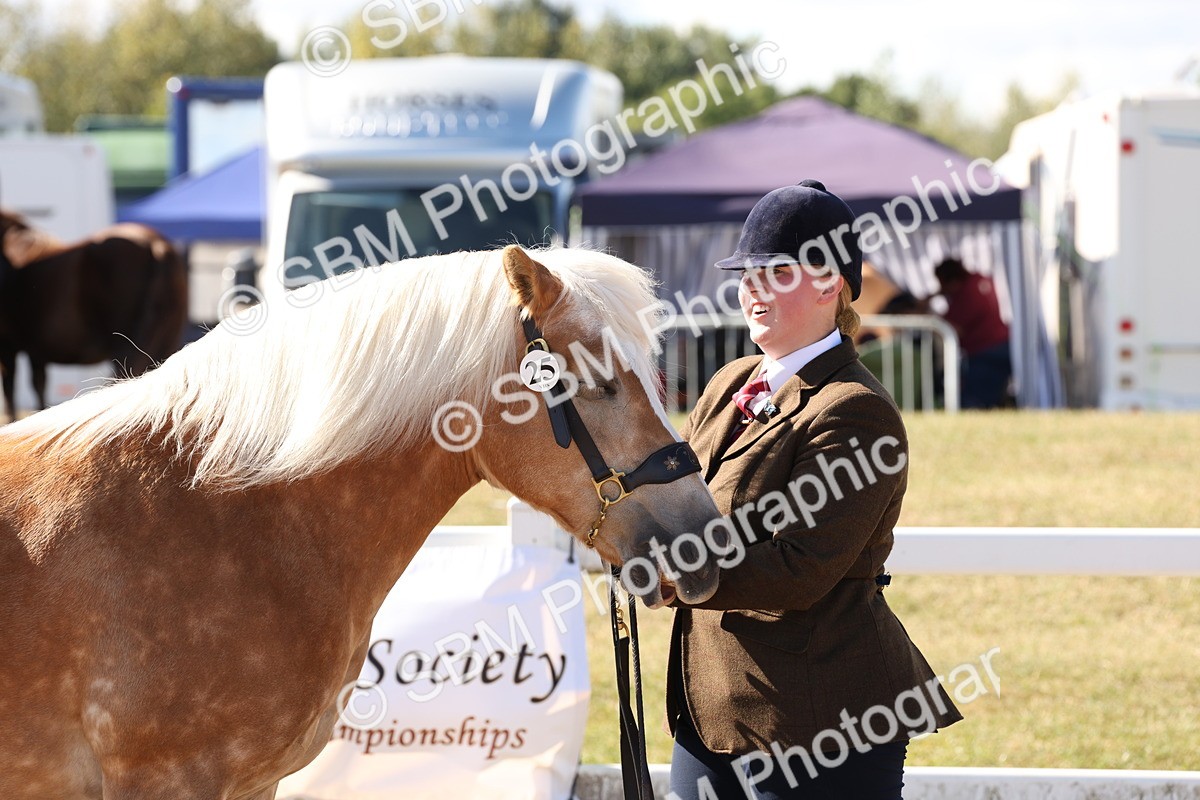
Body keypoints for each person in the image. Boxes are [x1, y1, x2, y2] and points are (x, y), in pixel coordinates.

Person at [666, 180, 961, 800]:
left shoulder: (854, 411)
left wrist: (677, 574)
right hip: (711, 712)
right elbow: (682, 504)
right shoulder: (729, 383)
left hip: (821, 722)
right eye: (746, 273)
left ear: (830, 282)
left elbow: (799, 566)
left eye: (774, 271)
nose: (752, 288)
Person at [934, 257, 1012, 409]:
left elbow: (956, 328)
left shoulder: (967, 293)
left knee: (976, 402)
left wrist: (932, 318)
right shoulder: (979, 281)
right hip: (1000, 345)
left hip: (986, 352)